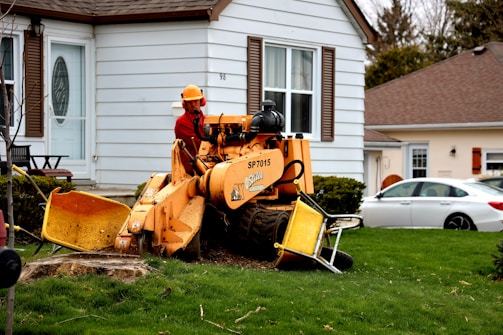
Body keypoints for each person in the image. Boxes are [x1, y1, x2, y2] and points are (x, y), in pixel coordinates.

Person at [174, 84, 206, 174]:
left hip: (205, 167)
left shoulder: (205, 120)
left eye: (195, 101)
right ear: (185, 104)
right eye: (189, 102)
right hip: (189, 170)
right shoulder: (182, 123)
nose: (193, 104)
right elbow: (201, 144)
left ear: (201, 101)